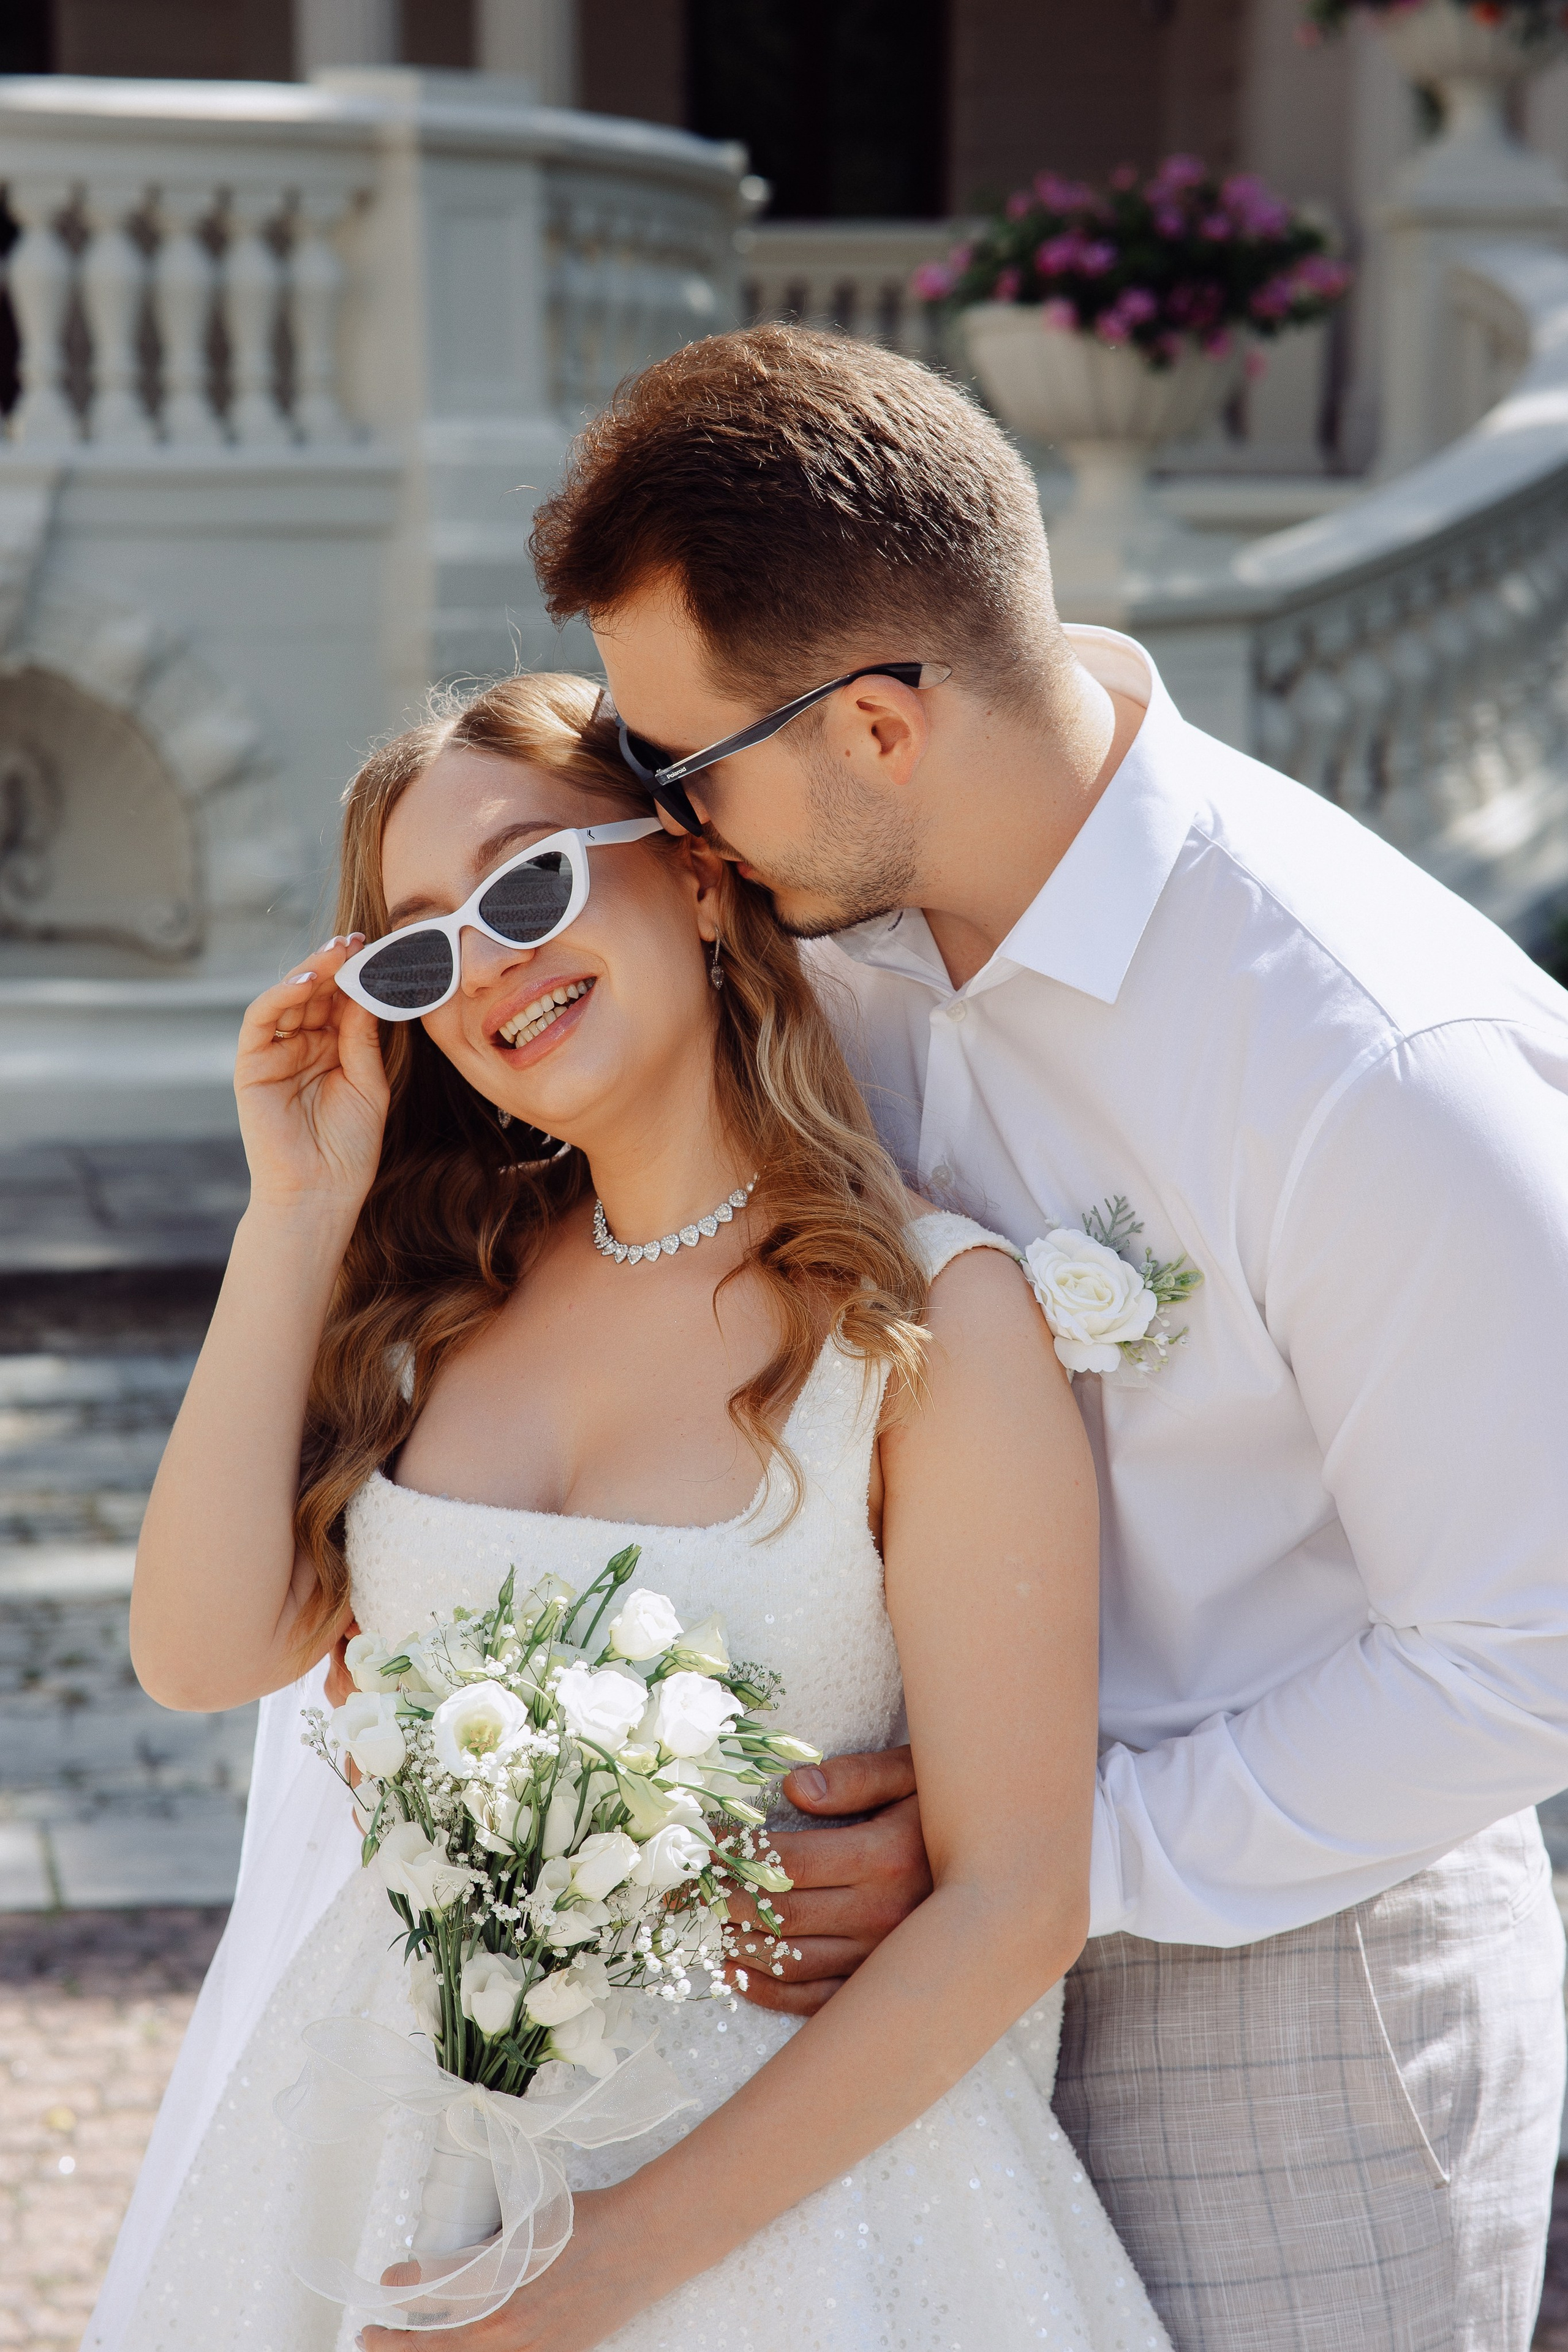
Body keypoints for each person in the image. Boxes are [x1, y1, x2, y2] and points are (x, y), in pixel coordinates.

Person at [527, 324, 1568, 2352]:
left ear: (883, 725)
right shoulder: (840, 927)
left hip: (1288, 1991)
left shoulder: (1376, 1058)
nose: (673, 822)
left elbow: (1532, 1647)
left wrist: (1040, 1856)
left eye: (685, 761)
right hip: (904, 1987)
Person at [86, 672, 1170, 2352]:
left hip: (789, 2235)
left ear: (692, 869)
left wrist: (587, 2276)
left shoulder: (932, 1319)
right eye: (420, 954)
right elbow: (197, 1646)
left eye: (528, 883)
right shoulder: (439, 1306)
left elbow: (1014, 1899)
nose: (492, 965)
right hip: (382, 2184)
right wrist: (294, 1215)